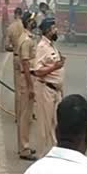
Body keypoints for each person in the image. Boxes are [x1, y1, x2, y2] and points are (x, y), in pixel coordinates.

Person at [33, 18, 66, 157]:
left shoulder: (51, 46)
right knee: (45, 126)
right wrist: (55, 66)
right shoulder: (41, 47)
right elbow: (37, 71)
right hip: (46, 89)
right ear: (47, 31)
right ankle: (43, 156)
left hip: (55, 91)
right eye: (53, 28)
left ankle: (53, 154)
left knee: (55, 124)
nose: (56, 30)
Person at [16, 13, 38, 161]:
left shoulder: (28, 38)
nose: (35, 22)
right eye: (33, 20)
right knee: (25, 116)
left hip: (27, 77)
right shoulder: (26, 41)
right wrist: (31, 87)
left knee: (27, 115)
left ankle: (24, 145)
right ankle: (24, 148)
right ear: (29, 22)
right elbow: (25, 63)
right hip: (26, 78)